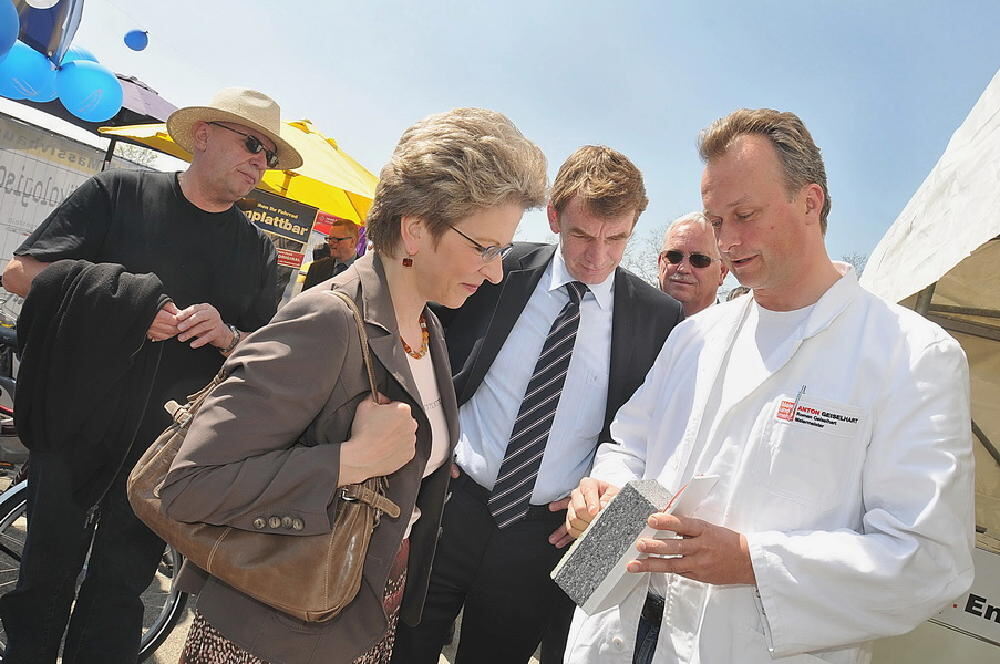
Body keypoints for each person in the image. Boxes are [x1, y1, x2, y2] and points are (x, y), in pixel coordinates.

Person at [563, 108, 976, 664]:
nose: (727, 240)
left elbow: (930, 562)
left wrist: (750, 561)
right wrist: (602, 494)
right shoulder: (695, 336)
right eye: (715, 219)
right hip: (617, 626)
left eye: (745, 214)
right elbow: (628, 445)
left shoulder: (913, 355)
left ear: (810, 202)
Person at [156, 107, 548, 664]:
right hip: (271, 637)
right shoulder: (327, 320)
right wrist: (349, 461)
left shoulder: (428, 326)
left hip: (357, 623)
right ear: (415, 227)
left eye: (502, 251)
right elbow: (189, 488)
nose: (495, 271)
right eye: (484, 247)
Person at [0, 87, 297, 664]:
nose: (262, 162)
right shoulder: (120, 193)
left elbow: (269, 355)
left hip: (168, 456)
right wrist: (127, 306)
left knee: (117, 596)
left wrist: (229, 335)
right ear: (203, 136)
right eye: (253, 144)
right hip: (73, 425)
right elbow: (20, 272)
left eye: (271, 156)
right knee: (42, 581)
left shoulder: (258, 250)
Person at [392, 146, 684, 664]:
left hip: (544, 542)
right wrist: (426, 453)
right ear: (554, 216)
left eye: (616, 238)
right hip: (449, 510)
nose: (598, 256)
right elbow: (418, 353)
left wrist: (595, 531)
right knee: (400, 646)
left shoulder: (659, 319)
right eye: (582, 234)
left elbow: (645, 441)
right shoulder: (495, 270)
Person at [657, 212, 728, 316]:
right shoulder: (631, 322)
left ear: (722, 272)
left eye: (699, 260)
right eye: (673, 256)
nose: (683, 268)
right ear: (659, 262)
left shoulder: (739, 330)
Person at [302, 219, 361, 290]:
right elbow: (305, 299)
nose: (330, 243)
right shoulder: (316, 268)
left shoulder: (365, 273)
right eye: (329, 239)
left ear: (352, 242)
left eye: (335, 239)